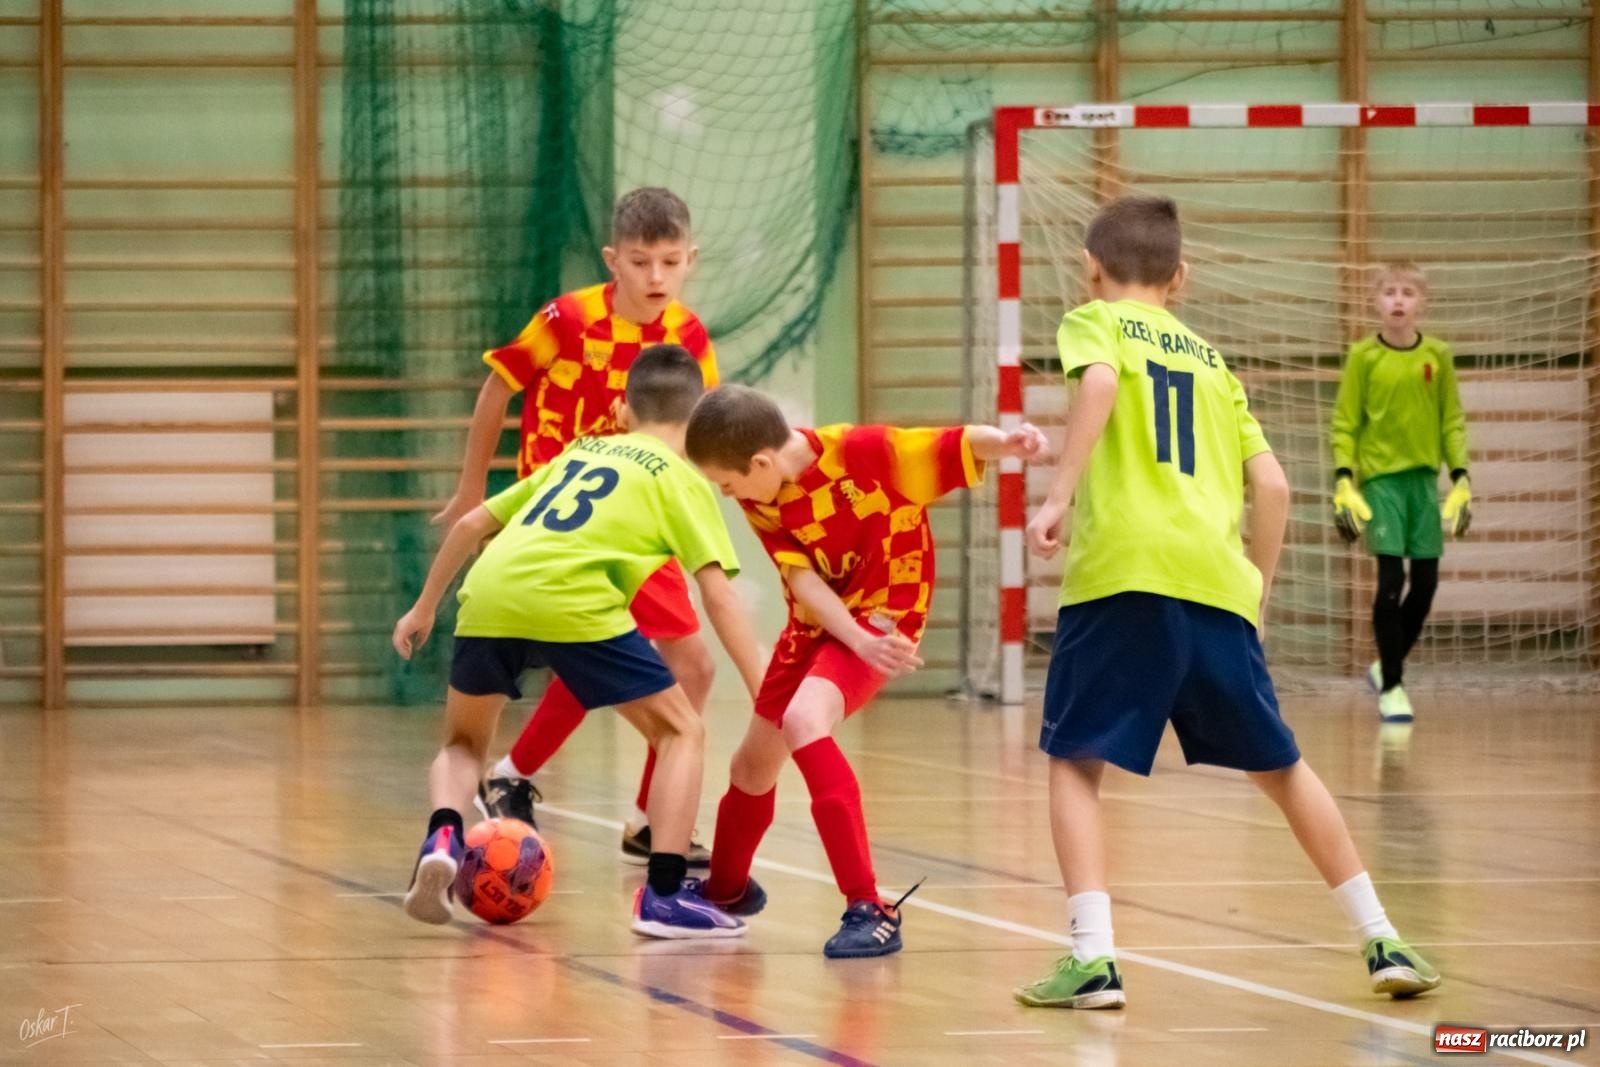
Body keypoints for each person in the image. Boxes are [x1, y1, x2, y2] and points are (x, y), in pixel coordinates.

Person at [1015, 196, 1440, 1008]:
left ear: (1091, 268)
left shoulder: (1094, 319)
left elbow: (1099, 382)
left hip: (1124, 572)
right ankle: (1381, 935)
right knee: (1281, 767)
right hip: (1215, 582)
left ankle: (1093, 956)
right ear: (1181, 277)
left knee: (1074, 760)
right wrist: (1256, 592)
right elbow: (1274, 485)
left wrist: (1059, 495)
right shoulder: (1213, 361)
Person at [395, 345, 765, 938]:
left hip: (490, 590)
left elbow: (471, 524)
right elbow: (718, 596)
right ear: (696, 421)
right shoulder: (682, 479)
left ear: (621, 411)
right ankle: (664, 896)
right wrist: (762, 688)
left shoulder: (581, 450)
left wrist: (423, 607)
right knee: (681, 731)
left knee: (464, 742)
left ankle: (443, 833)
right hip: (574, 599)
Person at [684, 385, 1047, 958]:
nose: (727, 496)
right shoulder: (762, 495)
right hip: (821, 622)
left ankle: (869, 906)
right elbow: (802, 580)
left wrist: (1007, 443)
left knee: (806, 719)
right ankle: (723, 892)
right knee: (752, 765)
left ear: (760, 462)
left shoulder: (866, 454)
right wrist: (845, 634)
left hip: (884, 613)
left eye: (726, 485)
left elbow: (953, 443)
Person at [432, 187, 720, 862]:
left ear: (690, 261)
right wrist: (473, 484)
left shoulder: (689, 337)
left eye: (670, 262)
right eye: (642, 261)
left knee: (686, 666)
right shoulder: (566, 320)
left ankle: (558, 790)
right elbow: (499, 384)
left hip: (639, 524)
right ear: (612, 259)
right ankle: (536, 781)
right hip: (564, 520)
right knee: (674, 660)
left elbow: (696, 431)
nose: (656, 277)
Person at [1330, 262, 1471, 723]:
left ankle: (1384, 666)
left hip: (1424, 483)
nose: (1397, 300)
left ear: (1421, 303)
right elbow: (1346, 421)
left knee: (1426, 585)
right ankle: (1393, 686)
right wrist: (1344, 479)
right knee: (1391, 582)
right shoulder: (1363, 358)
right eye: (1389, 291)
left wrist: (1462, 476)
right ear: (1376, 301)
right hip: (1382, 483)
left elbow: (1451, 419)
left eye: (1407, 292)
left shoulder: (1438, 355)